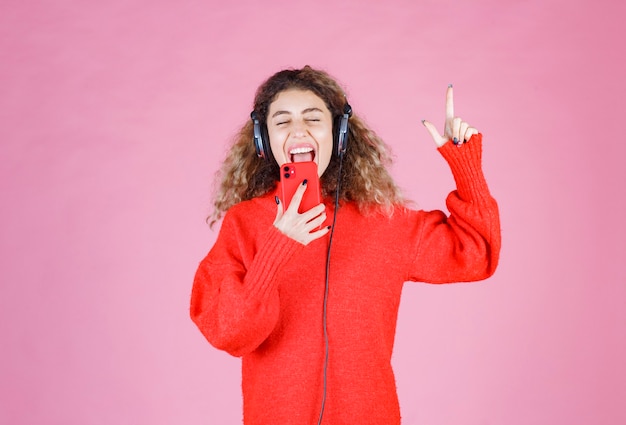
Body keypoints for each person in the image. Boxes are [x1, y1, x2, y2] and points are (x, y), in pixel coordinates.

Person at [190, 65, 501, 424]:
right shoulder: (244, 224)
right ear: (263, 139)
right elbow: (230, 332)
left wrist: (466, 166)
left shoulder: (382, 220)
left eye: (313, 118)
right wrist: (278, 247)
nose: (298, 131)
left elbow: (477, 253)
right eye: (282, 121)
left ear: (339, 135)